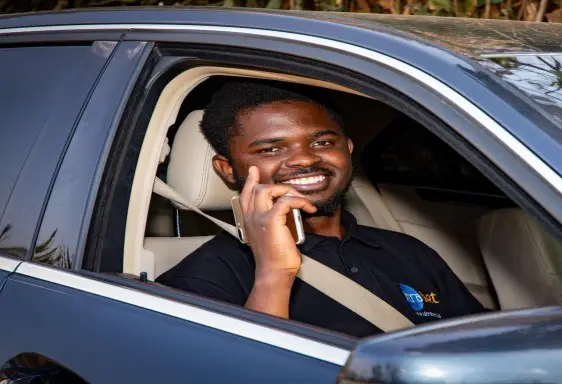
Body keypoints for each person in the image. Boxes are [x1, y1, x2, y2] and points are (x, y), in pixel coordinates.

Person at [157, 81, 486, 338]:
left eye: (322, 143)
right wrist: (274, 275)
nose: (305, 159)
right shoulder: (203, 277)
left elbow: (481, 350)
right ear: (228, 170)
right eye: (271, 148)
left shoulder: (408, 251)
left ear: (348, 149)